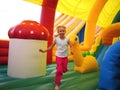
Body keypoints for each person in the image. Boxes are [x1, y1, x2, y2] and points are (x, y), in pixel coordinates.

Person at [39, 25, 73, 90]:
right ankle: (57, 84)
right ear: (58, 32)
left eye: (63, 31)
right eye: (60, 31)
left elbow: (71, 46)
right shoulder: (56, 39)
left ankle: (61, 68)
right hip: (59, 57)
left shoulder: (67, 39)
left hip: (65, 57)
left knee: (64, 70)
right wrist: (44, 51)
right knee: (59, 71)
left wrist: (72, 50)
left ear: (65, 31)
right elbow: (51, 47)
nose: (62, 32)